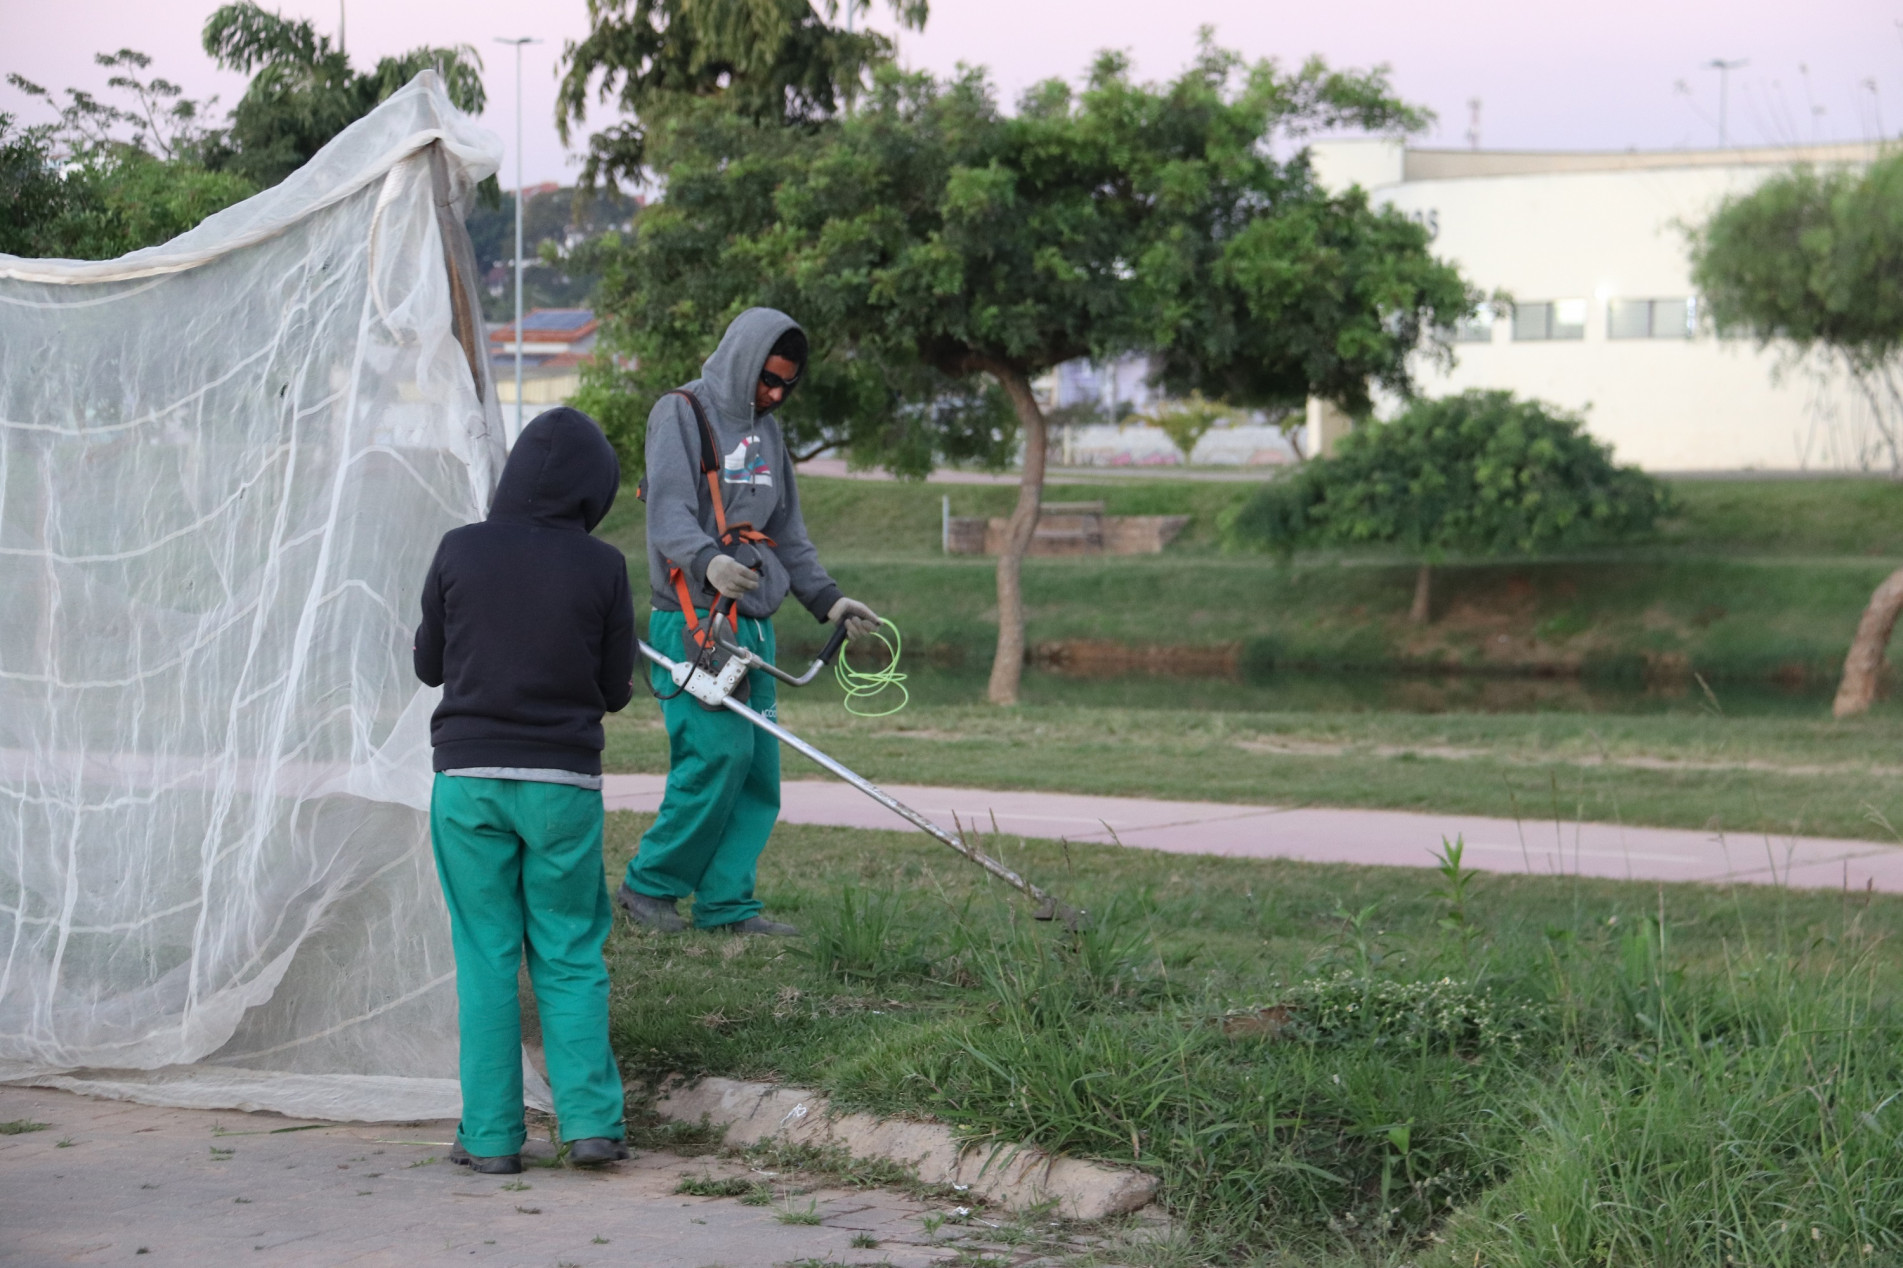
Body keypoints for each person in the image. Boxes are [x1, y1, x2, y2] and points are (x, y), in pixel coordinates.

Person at [413, 407, 634, 1176]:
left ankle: (492, 1139)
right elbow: (614, 691)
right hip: (562, 787)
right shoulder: (603, 566)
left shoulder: (458, 550)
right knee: (570, 949)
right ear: (593, 490)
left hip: (468, 783)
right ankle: (594, 1127)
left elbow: (428, 666)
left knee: (485, 955)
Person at [618, 307, 878, 937]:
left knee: (758, 765)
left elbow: (787, 531)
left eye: (788, 385)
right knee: (715, 755)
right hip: (696, 621)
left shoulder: (769, 432)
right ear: (742, 359)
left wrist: (828, 600)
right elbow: (669, 513)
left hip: (754, 622)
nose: (776, 394)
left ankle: (727, 905)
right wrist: (707, 562)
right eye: (769, 380)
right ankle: (647, 887)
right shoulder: (680, 412)